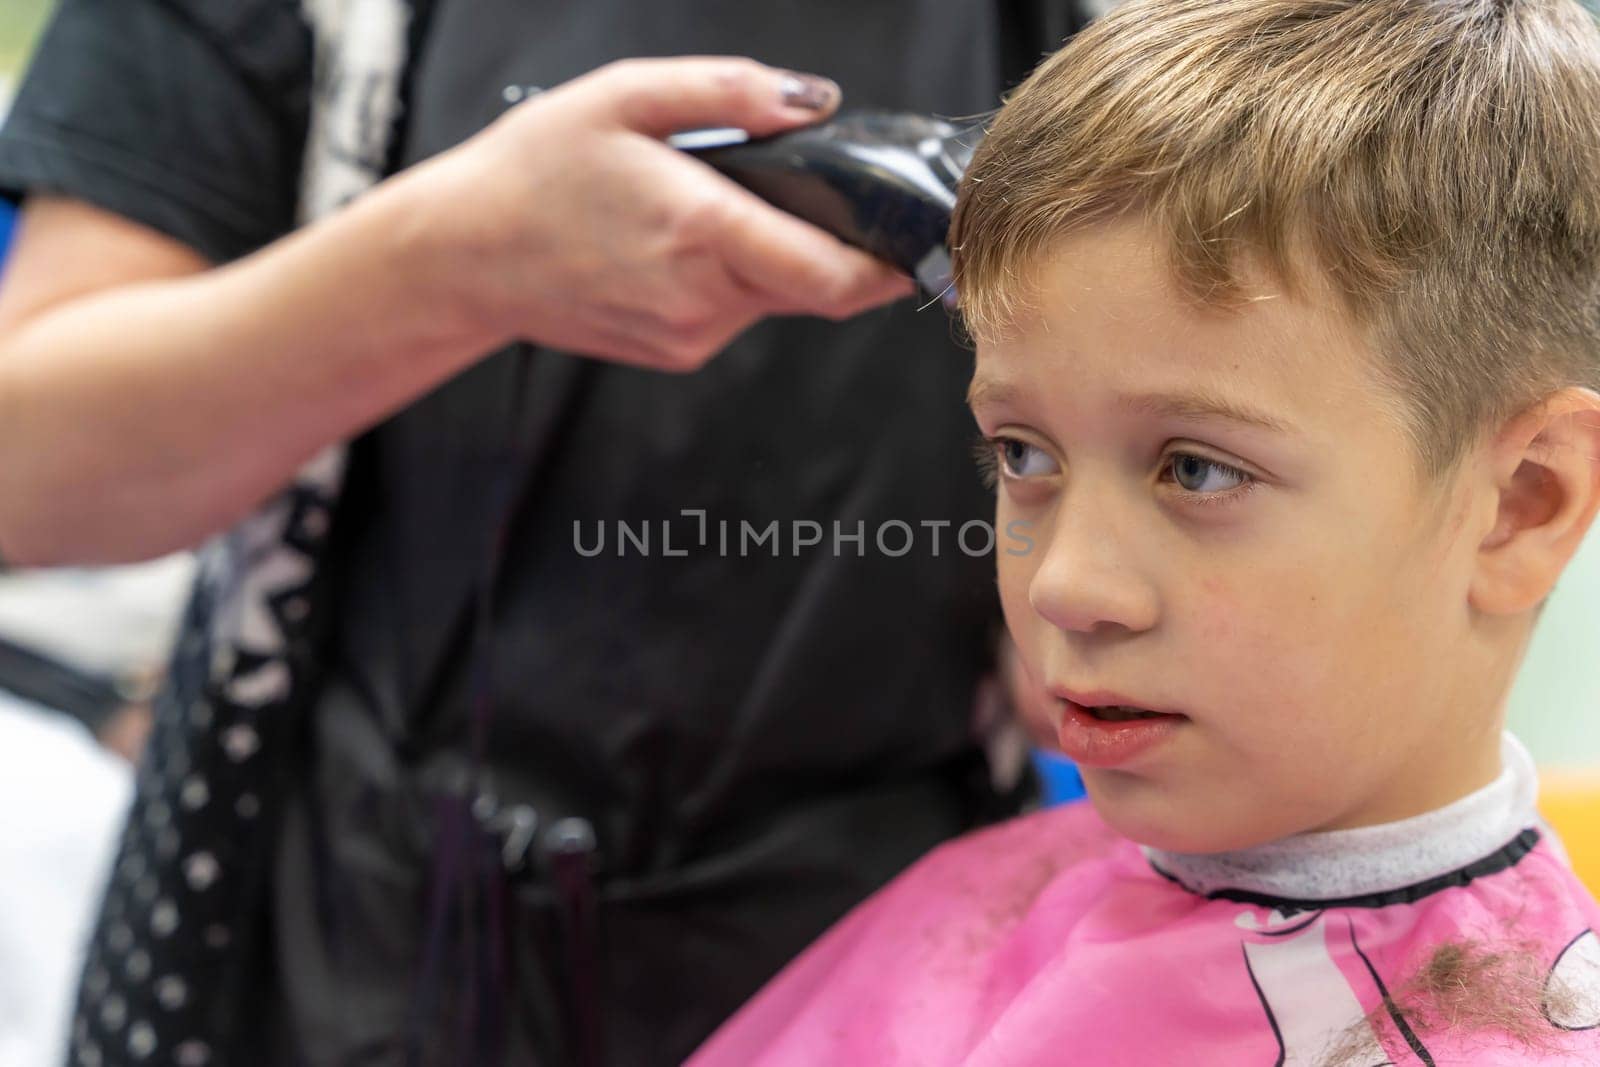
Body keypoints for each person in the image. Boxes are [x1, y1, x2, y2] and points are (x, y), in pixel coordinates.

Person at [0, 2, 1101, 1064]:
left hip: (893, 949)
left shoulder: (1126, 23)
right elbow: (29, 473)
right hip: (344, 927)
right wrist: (453, 265)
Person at [688, 1, 1600, 1063]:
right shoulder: (982, 892)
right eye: (1023, 454)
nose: (1062, 584)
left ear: (1521, 503)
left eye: (1198, 470)